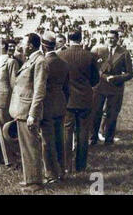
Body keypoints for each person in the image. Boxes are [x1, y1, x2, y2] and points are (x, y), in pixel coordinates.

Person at [9, 33, 47, 193]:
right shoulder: (31, 59)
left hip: (28, 111)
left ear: (30, 45)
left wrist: (33, 113)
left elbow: (39, 91)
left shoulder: (39, 61)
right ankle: (29, 178)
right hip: (22, 109)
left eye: (23, 43)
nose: (20, 46)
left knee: (31, 147)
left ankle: (35, 182)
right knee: (25, 147)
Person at [58, 29, 99, 174]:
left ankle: (67, 165)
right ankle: (81, 166)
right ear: (81, 39)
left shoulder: (61, 55)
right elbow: (95, 79)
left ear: (68, 39)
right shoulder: (90, 56)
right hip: (85, 99)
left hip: (68, 99)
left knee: (67, 132)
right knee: (83, 133)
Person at [90, 30, 133, 145]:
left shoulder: (124, 53)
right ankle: (92, 138)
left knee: (112, 114)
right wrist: (105, 77)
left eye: (113, 38)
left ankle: (109, 140)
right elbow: (95, 69)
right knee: (95, 112)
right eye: (108, 37)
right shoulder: (99, 51)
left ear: (117, 39)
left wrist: (116, 78)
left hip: (116, 88)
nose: (110, 40)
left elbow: (129, 73)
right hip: (99, 86)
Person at [40, 32, 70, 183]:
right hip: (60, 104)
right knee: (59, 139)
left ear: (43, 46)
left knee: (47, 141)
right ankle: (62, 170)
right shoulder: (63, 63)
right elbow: (67, 88)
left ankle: (50, 173)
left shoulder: (43, 63)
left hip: (46, 106)